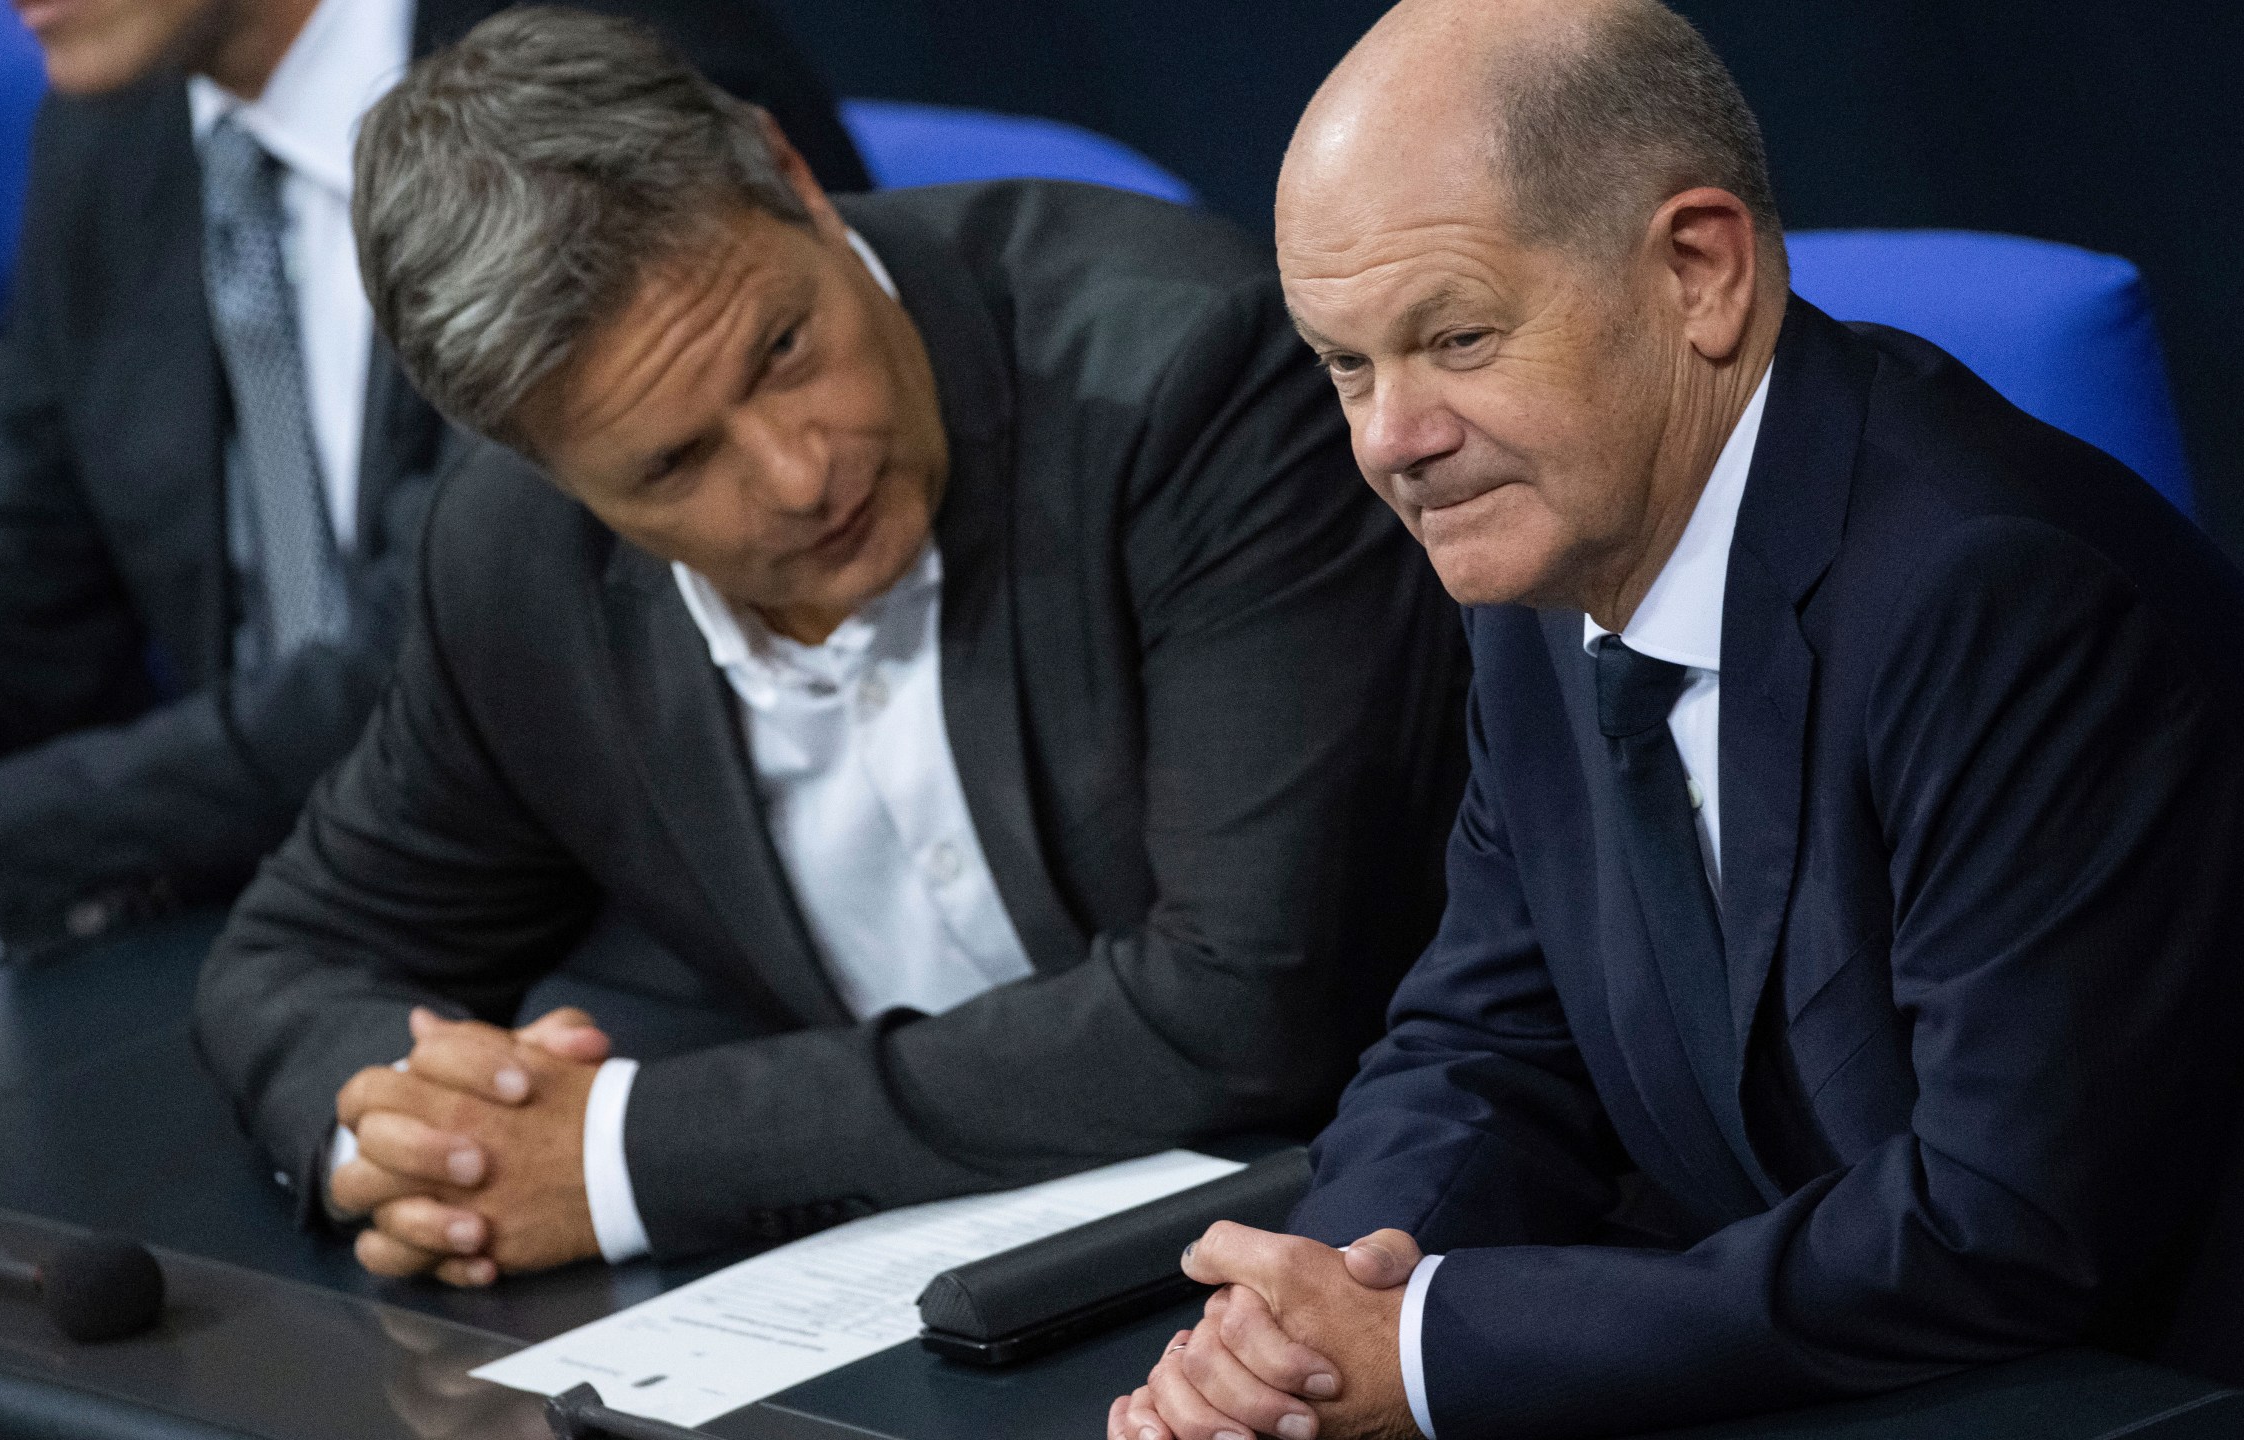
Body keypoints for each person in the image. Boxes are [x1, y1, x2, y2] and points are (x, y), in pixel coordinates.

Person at [1111, 2, 2244, 1438]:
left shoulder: (1995, 591)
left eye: (1457, 338)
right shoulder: (1539, 571)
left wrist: (1421, 1355)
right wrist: (1313, 1317)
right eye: (1346, 363)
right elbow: (1485, 1043)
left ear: (1699, 271)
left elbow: (1998, 1222)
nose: (1390, 438)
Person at [192, 9, 1466, 1289]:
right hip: (896, 1298)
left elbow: (1245, 1009)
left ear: (790, 175)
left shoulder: (1183, 378)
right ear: (547, 469)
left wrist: (621, 1160)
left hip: (1341, 1231)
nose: (801, 473)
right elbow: (299, 954)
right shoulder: (516, 553)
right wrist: (417, 1146)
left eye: (784, 348)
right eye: (676, 462)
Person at [0, 0, 866, 962]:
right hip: (301, 899)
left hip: (629, 915)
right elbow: (18, 588)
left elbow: (467, 651)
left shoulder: (595, 67)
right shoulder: (109, 130)